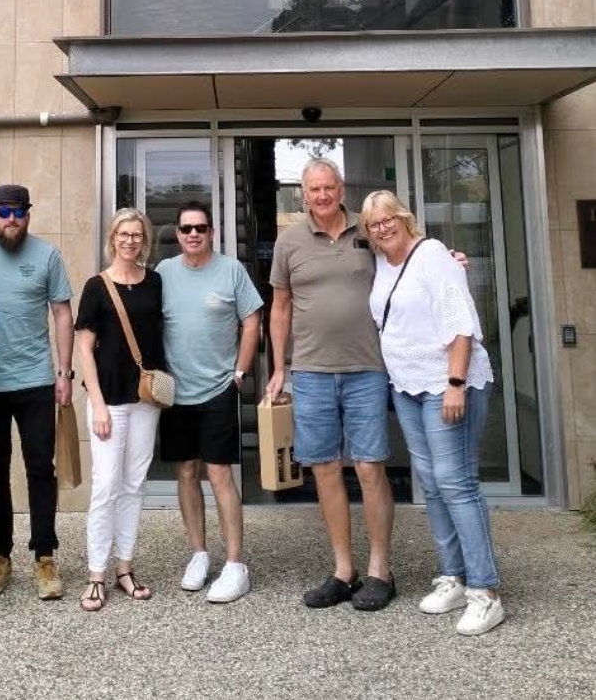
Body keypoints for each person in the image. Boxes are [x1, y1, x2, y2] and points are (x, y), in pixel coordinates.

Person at [361, 190, 505, 637]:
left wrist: (455, 384)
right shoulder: (384, 265)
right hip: (406, 386)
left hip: (447, 383)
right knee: (433, 485)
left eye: (388, 219)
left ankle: (486, 592)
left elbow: (460, 321)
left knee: (457, 483)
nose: (382, 228)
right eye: (373, 224)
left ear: (405, 218)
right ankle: (455, 577)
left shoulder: (433, 255)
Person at [266, 158, 395, 611]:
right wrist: (281, 366)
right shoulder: (289, 241)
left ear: (342, 189)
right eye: (313, 189)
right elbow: (279, 307)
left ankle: (381, 570)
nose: (322, 196)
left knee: (368, 466)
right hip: (313, 372)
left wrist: (447, 259)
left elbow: (408, 260)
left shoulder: (370, 229)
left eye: (329, 187)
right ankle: (344, 570)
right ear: (304, 193)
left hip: (367, 368)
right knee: (323, 467)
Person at [0, 183, 74, 601]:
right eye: (3, 212)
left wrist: (64, 372)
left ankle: (45, 557)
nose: (11, 219)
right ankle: (0, 555)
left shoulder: (47, 255)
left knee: (39, 469)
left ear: (28, 215)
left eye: (19, 212)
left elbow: (63, 313)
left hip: (35, 380)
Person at [158, 201, 262, 603]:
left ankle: (236, 564)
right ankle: (199, 554)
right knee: (186, 472)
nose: (193, 234)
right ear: (178, 234)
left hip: (220, 387)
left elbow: (252, 319)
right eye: (186, 229)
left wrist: (240, 373)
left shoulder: (231, 270)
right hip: (176, 392)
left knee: (219, 474)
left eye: (200, 228)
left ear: (212, 231)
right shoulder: (164, 273)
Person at [75, 207, 165, 611]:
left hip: (146, 399)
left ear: (144, 240)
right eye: (123, 234)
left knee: (134, 484)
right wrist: (96, 404)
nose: (130, 240)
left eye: (137, 235)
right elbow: (84, 349)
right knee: (106, 485)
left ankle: (125, 568)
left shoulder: (156, 282)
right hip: (109, 399)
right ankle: (96, 574)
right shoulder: (97, 286)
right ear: (113, 238)